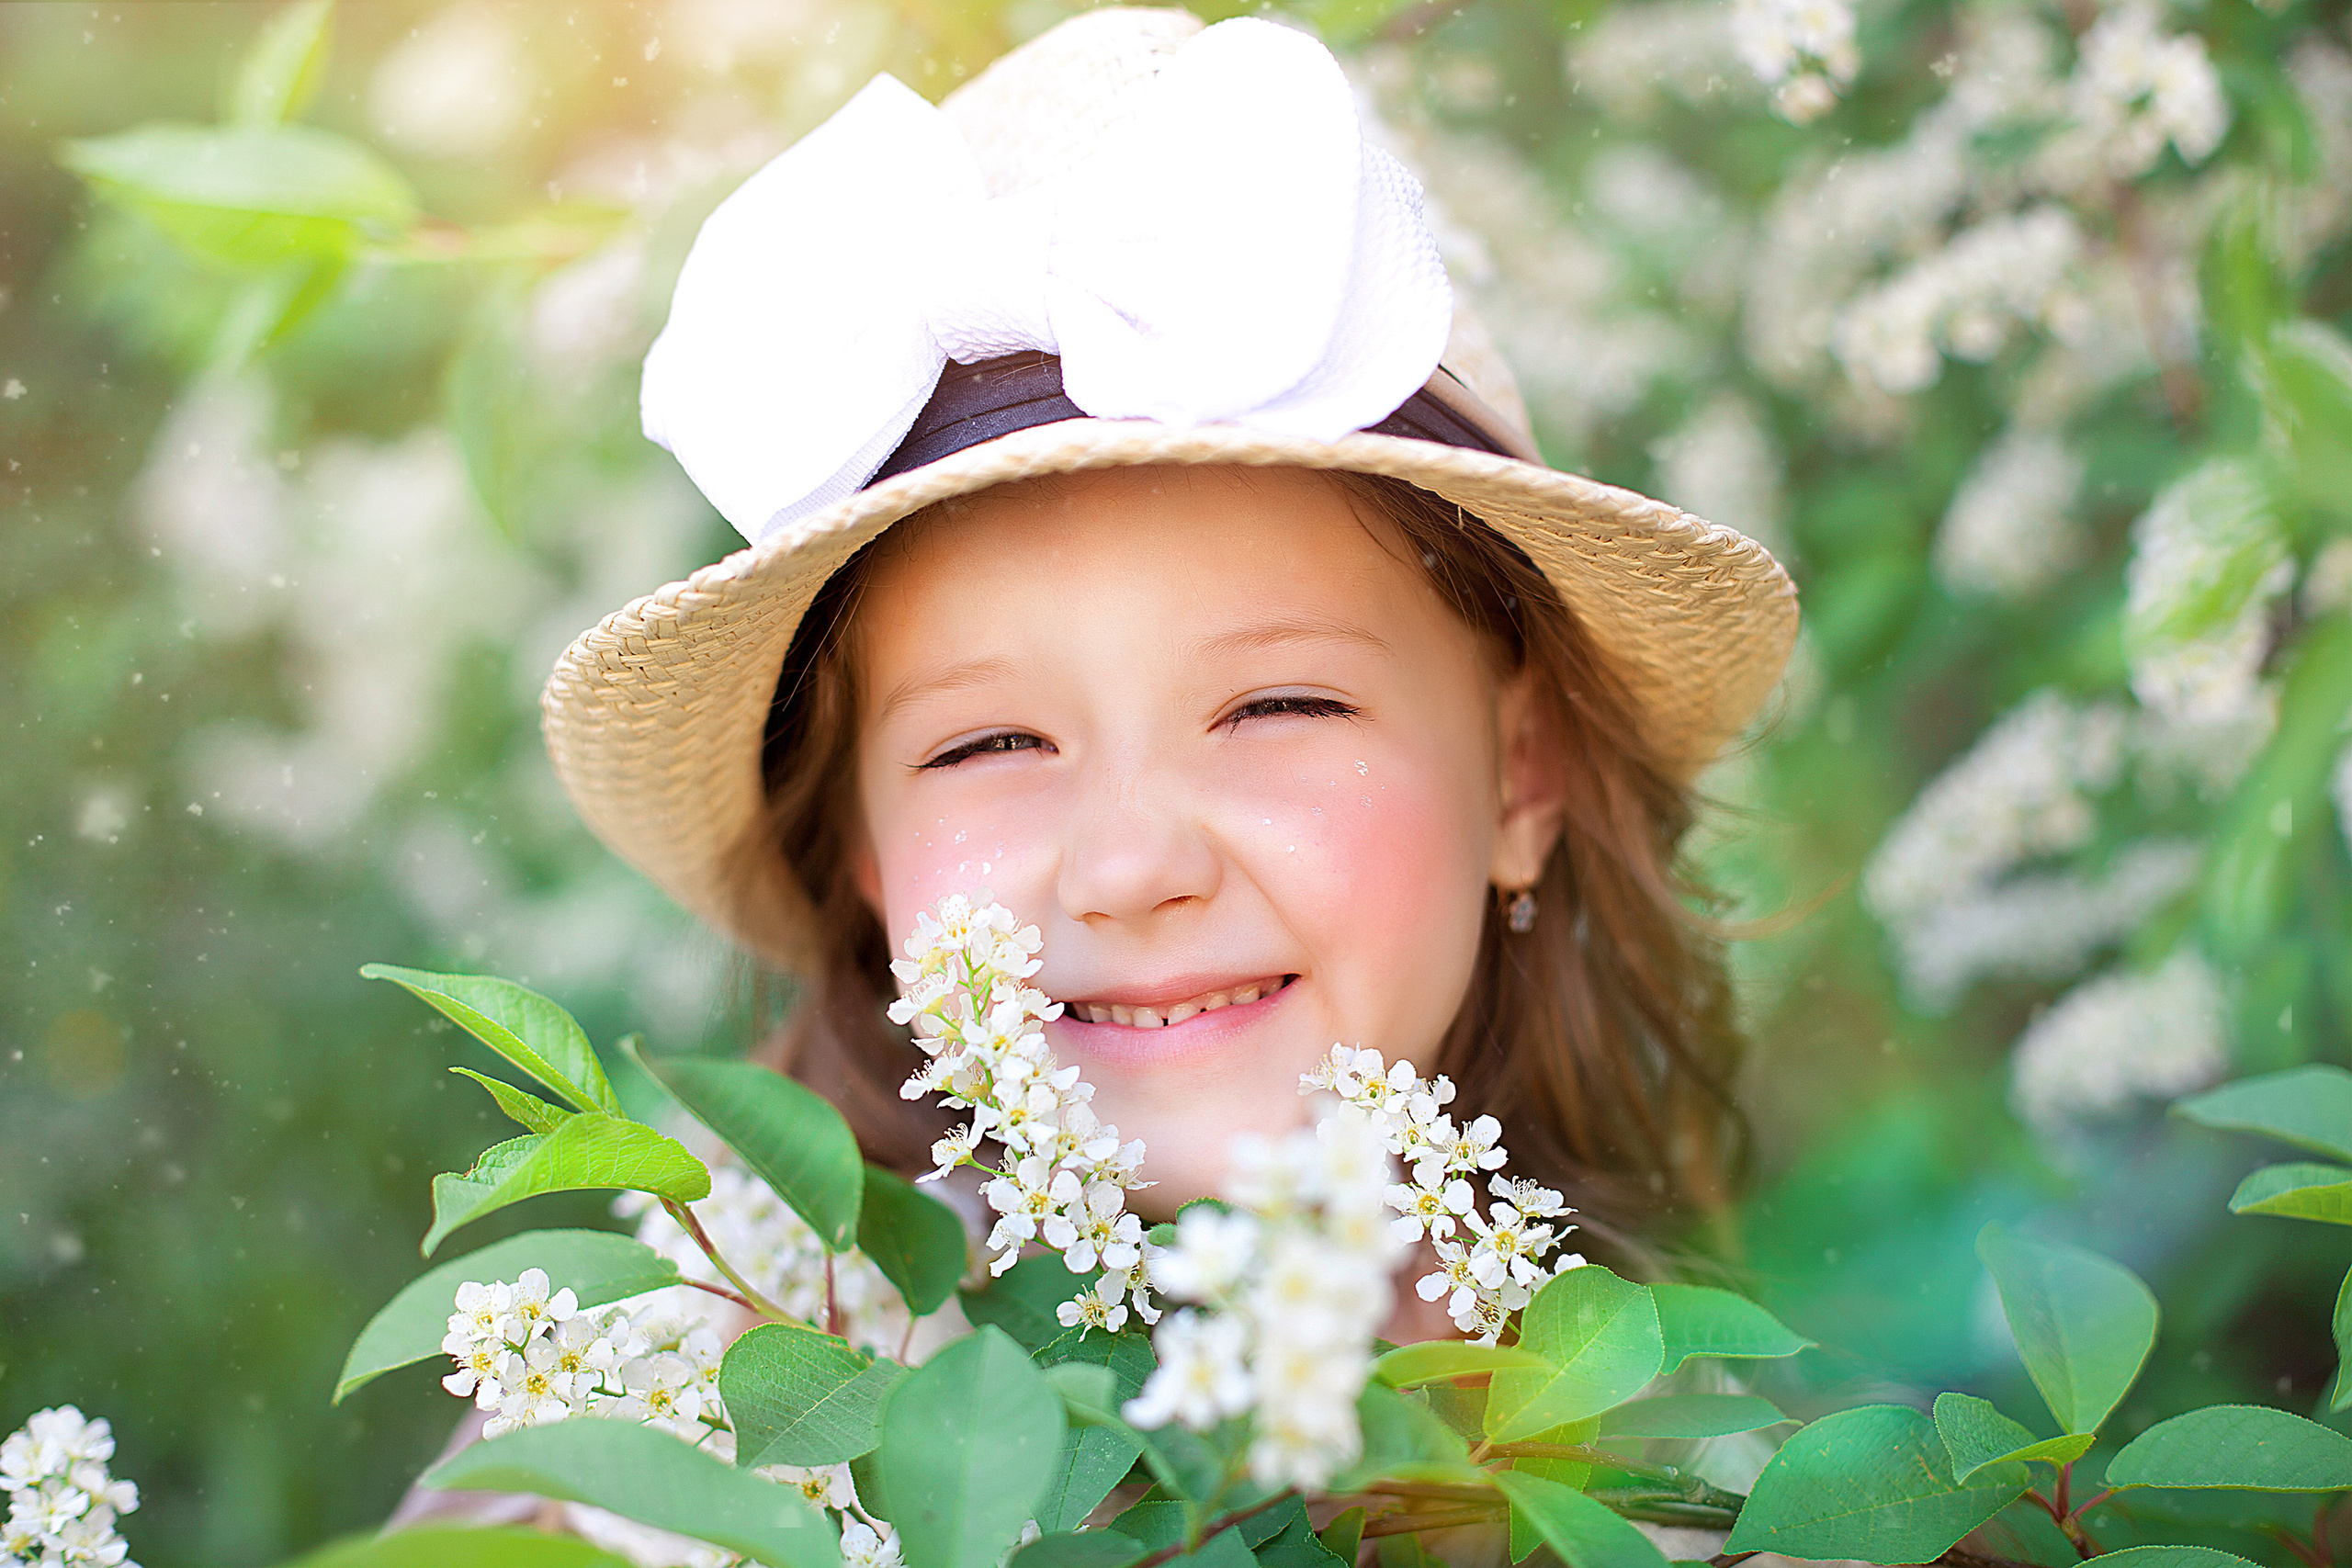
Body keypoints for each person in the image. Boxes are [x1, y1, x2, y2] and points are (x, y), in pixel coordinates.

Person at [541, 4, 1796, 1347]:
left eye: (1277, 706)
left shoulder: (1717, 1528)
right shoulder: (667, 1472)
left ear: (1523, 777)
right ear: (859, 842)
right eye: (989, 745)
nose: (1133, 869)